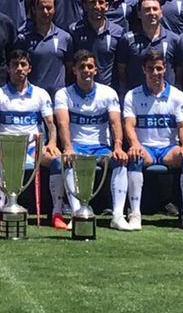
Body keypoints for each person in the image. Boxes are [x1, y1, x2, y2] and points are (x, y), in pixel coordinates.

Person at [54, 50, 130, 231]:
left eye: (90, 67)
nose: (86, 70)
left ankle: (118, 216)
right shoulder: (63, 94)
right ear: (74, 70)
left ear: (96, 70)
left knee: (120, 160)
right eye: (82, 67)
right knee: (66, 161)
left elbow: (115, 122)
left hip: (101, 148)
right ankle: (77, 214)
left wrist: (118, 146)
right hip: (77, 147)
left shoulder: (108, 93)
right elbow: (63, 123)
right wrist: (68, 148)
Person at [122, 50, 183, 231]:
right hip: (145, 149)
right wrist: (135, 144)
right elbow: (129, 124)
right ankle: (135, 214)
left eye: (159, 68)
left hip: (168, 149)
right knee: (135, 157)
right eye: (151, 69)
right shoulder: (133, 95)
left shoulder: (176, 95)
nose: (155, 73)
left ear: (165, 69)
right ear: (144, 70)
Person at [0, 50, 56, 227]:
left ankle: (57, 213)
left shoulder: (40, 94)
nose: (19, 69)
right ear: (8, 69)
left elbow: (51, 125)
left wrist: (52, 143)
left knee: (59, 162)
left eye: (23, 65)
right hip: (7, 147)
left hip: (33, 148)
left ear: (29, 68)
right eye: (15, 65)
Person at [116, 0, 183, 92]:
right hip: (136, 98)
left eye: (155, 9)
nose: (151, 13)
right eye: (147, 9)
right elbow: (121, 71)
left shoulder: (174, 40)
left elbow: (179, 72)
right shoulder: (127, 40)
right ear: (139, 14)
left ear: (161, 13)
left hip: (166, 98)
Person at [15, 0, 72, 98]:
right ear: (34, 10)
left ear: (55, 9)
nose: (46, 12)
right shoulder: (23, 39)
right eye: (41, 8)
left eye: (49, 8)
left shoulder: (65, 37)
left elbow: (70, 69)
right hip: (32, 97)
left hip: (58, 98)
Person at [69, 0, 123, 89]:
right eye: (92, 2)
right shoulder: (74, 31)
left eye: (101, 2)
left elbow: (121, 68)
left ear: (106, 6)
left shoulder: (118, 32)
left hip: (108, 92)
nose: (97, 6)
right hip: (79, 91)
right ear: (85, 6)